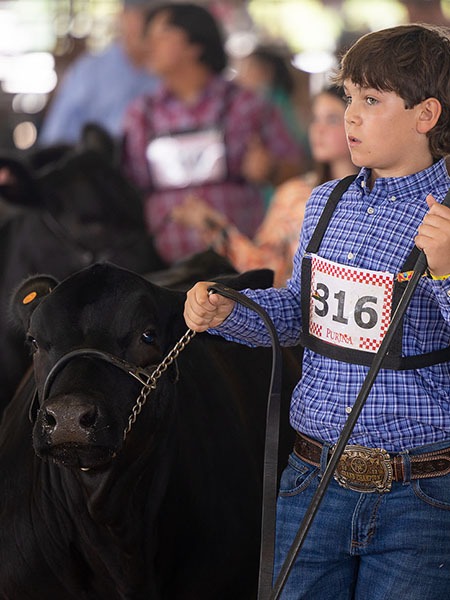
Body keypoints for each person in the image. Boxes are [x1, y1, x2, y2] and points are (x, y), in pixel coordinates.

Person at [184, 23, 450, 599]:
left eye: (371, 101)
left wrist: (449, 269)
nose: (350, 116)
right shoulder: (325, 202)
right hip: (313, 474)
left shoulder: (447, 218)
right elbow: (301, 316)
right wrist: (228, 312)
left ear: (425, 114)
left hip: (421, 490)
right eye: (349, 98)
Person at [121, 2, 304, 265]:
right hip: (160, 269)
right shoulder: (140, 114)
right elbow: (129, 186)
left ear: (195, 46)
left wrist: (271, 170)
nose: (148, 45)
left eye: (160, 35)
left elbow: (298, 171)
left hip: (239, 264)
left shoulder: (246, 105)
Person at [172, 85, 356, 287]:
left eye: (332, 119)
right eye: (315, 119)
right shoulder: (294, 195)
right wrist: (213, 225)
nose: (318, 130)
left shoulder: (380, 196)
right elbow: (266, 267)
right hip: (302, 312)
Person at [38, 0, 159, 145]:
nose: (148, 26)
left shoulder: (168, 74)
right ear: (121, 17)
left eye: (156, 18)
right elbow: (55, 138)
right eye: (142, 16)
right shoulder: (90, 71)